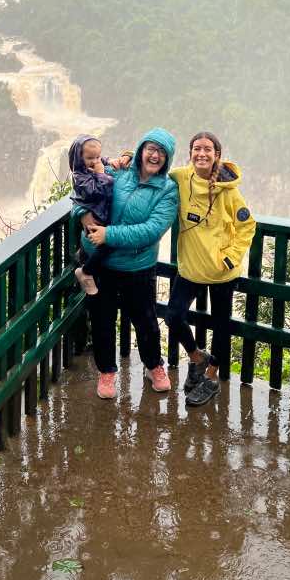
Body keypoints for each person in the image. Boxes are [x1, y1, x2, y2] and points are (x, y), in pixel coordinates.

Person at [78, 127, 179, 400]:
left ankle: (153, 365)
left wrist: (108, 234)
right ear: (141, 150)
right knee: (103, 320)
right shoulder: (118, 173)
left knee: (145, 321)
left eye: (161, 152)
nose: (154, 155)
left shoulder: (168, 190)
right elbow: (84, 188)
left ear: (167, 158)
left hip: (138, 267)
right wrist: (83, 215)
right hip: (103, 265)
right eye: (150, 149)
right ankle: (107, 371)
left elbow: (151, 230)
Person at [167, 131, 256, 406]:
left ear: (217, 154)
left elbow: (247, 225)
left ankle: (212, 377)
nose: (201, 154)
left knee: (221, 325)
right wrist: (124, 159)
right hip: (191, 268)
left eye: (207, 149)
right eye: (196, 149)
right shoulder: (181, 177)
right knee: (173, 315)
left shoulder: (229, 191)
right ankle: (196, 357)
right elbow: (150, 167)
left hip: (221, 272)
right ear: (190, 153)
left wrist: (230, 258)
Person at [68, 134, 132, 295]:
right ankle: (86, 271)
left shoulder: (94, 163)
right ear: (78, 157)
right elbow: (96, 192)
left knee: (106, 241)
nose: (95, 161)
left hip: (101, 214)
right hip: (95, 218)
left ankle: (82, 254)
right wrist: (101, 174)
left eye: (97, 156)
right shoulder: (79, 176)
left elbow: (102, 160)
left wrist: (111, 161)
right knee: (108, 243)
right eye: (90, 158)